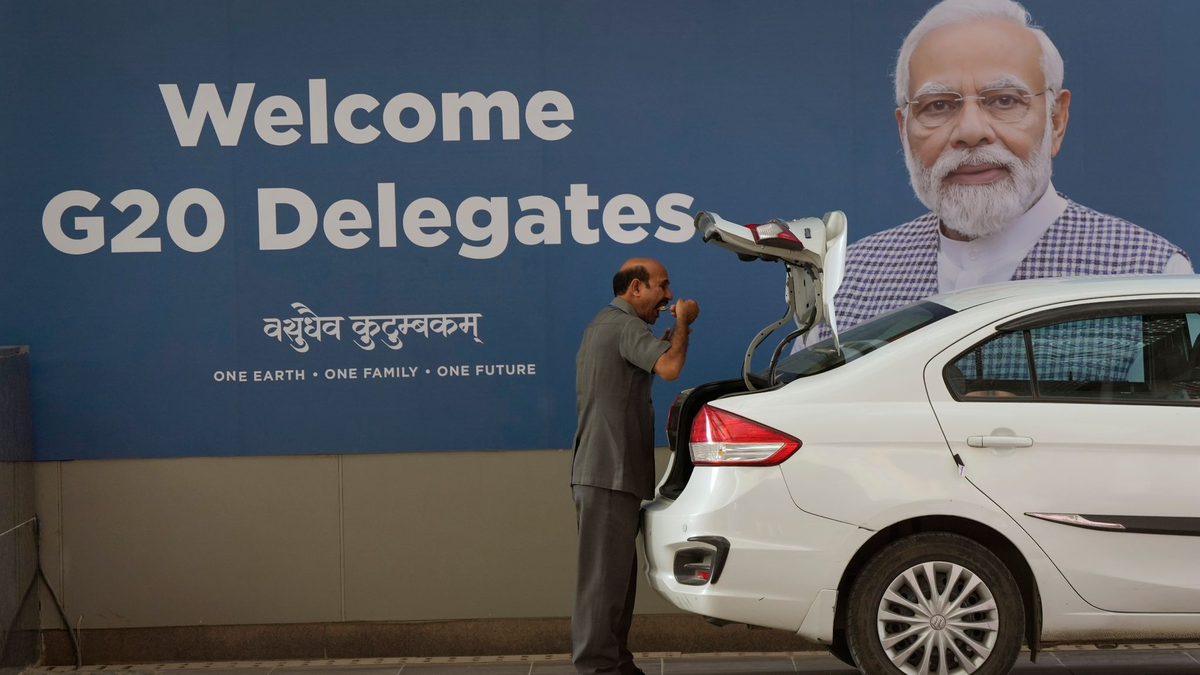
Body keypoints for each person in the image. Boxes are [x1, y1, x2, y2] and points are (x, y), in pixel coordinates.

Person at [821, 0, 1192, 338]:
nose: (970, 132)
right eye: (937, 106)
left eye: (1004, 100)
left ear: (1056, 119)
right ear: (904, 129)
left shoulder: (1151, 277)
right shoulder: (845, 281)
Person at [570, 258, 699, 675]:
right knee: (602, 584)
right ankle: (597, 667)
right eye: (662, 286)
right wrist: (684, 325)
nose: (667, 295)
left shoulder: (607, 325)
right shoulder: (624, 326)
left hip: (607, 472)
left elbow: (645, 367)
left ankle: (616, 664)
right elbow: (670, 368)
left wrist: (666, 336)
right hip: (608, 473)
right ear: (637, 287)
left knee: (614, 584)